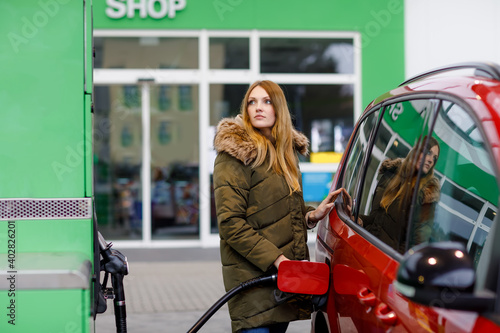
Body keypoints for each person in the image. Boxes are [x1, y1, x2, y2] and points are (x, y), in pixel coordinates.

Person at [213, 80, 347, 333]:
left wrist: (311, 215)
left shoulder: (284, 153)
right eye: (252, 102)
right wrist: (278, 260)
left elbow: (273, 209)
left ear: (279, 109)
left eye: (266, 101)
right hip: (254, 281)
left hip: (279, 283)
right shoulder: (235, 155)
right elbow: (231, 224)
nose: (258, 108)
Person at [359, 136, 441, 253]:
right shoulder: (390, 175)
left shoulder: (426, 196)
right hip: (366, 248)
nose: (431, 160)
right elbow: (375, 220)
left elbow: (415, 245)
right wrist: (360, 220)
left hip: (386, 262)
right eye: (428, 152)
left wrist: (391, 263)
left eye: (434, 158)